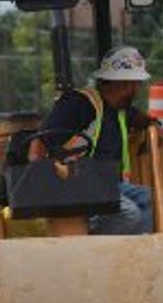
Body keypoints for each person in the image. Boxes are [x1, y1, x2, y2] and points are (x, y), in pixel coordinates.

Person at [30, 45, 155, 235]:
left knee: (147, 198)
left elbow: (135, 117)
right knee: (130, 214)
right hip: (77, 185)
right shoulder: (79, 104)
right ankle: (89, 237)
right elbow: (40, 141)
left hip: (107, 185)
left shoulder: (119, 111)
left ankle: (136, 253)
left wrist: (150, 123)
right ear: (125, 84)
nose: (137, 89)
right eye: (136, 83)